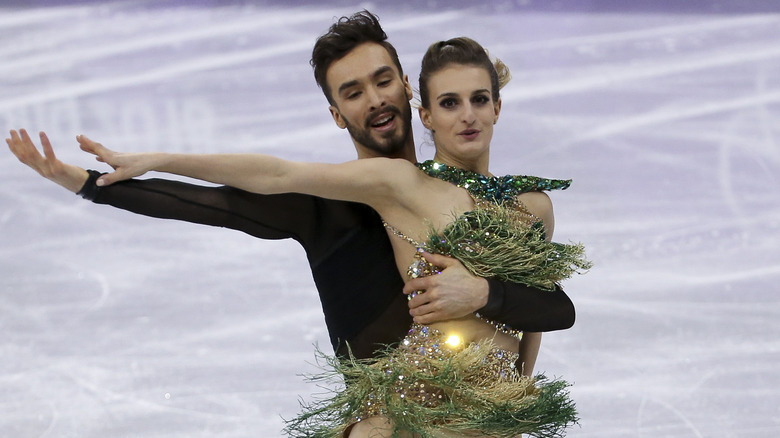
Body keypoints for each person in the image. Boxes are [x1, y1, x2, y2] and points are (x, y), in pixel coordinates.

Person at [46, 34, 589, 437]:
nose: (466, 115)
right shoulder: (394, 184)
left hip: (495, 405)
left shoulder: (534, 207)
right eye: (449, 102)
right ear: (425, 111)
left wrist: (515, 391)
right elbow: (271, 178)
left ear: (497, 105)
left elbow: (546, 311)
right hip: (417, 397)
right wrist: (144, 164)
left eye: (477, 99)